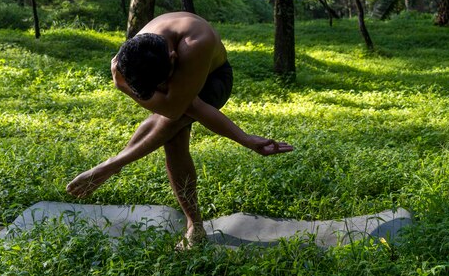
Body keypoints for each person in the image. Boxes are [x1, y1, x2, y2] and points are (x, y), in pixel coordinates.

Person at [66, 12, 293, 248]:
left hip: (214, 80)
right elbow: (172, 106)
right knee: (173, 140)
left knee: (171, 125)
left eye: (165, 82)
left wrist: (245, 139)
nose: (164, 88)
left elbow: (179, 108)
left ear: (173, 57)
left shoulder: (196, 43)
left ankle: (112, 167)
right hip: (173, 84)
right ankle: (194, 223)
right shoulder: (130, 53)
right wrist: (124, 85)